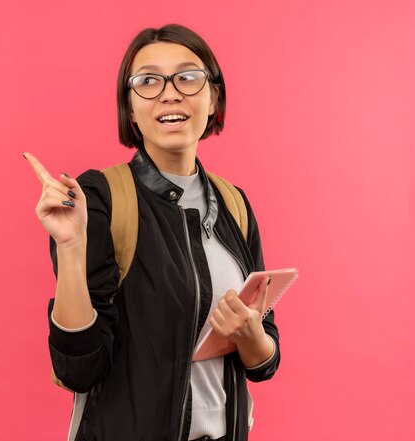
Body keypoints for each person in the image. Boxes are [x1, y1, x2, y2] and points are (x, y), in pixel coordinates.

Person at [24, 24, 280, 441]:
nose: (170, 92)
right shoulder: (100, 198)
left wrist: (251, 335)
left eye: (188, 77)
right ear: (129, 106)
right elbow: (79, 369)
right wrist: (70, 247)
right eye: (148, 81)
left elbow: (264, 361)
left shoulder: (235, 203)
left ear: (213, 97)